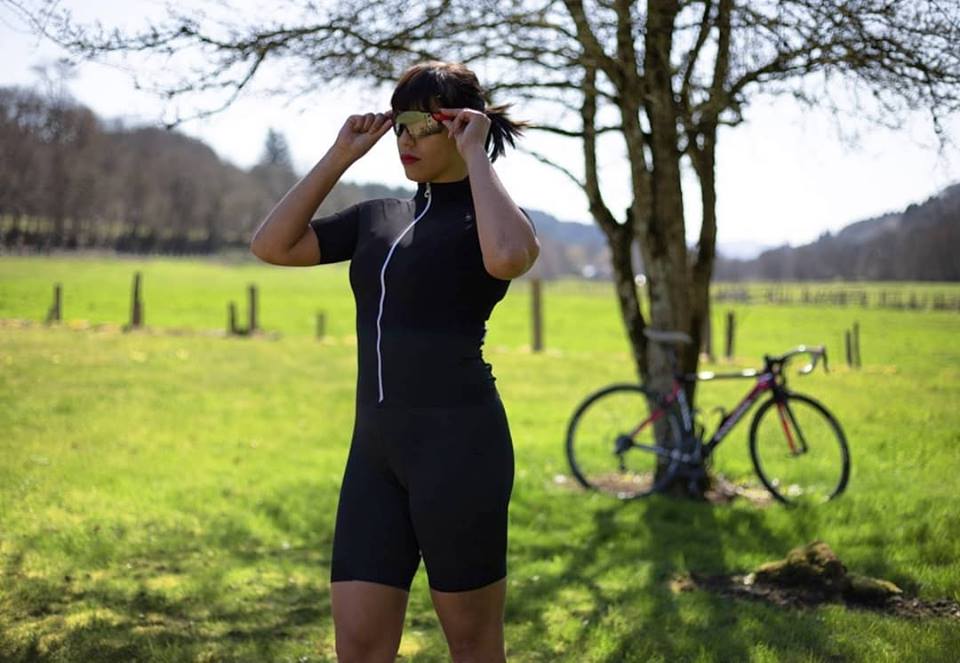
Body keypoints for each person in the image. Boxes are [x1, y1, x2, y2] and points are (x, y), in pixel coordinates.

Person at [250, 60, 539, 662]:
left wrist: (476, 154)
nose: (405, 138)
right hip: (375, 457)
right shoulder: (377, 217)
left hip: (460, 452)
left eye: (422, 124)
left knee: (474, 645)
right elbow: (272, 245)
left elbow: (510, 258)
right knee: (358, 647)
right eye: (399, 123)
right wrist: (340, 155)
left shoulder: (490, 219)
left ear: (460, 126)